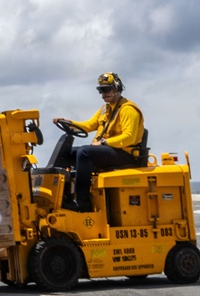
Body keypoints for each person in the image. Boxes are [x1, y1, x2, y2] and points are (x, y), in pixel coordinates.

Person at [54, 72, 144, 212]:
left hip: (125, 153)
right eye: (100, 90)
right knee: (67, 153)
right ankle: (62, 197)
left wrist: (103, 143)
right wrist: (68, 122)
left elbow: (129, 137)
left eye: (106, 89)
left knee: (84, 152)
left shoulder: (128, 110)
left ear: (117, 88)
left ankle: (82, 202)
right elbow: (88, 125)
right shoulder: (105, 109)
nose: (103, 93)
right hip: (110, 150)